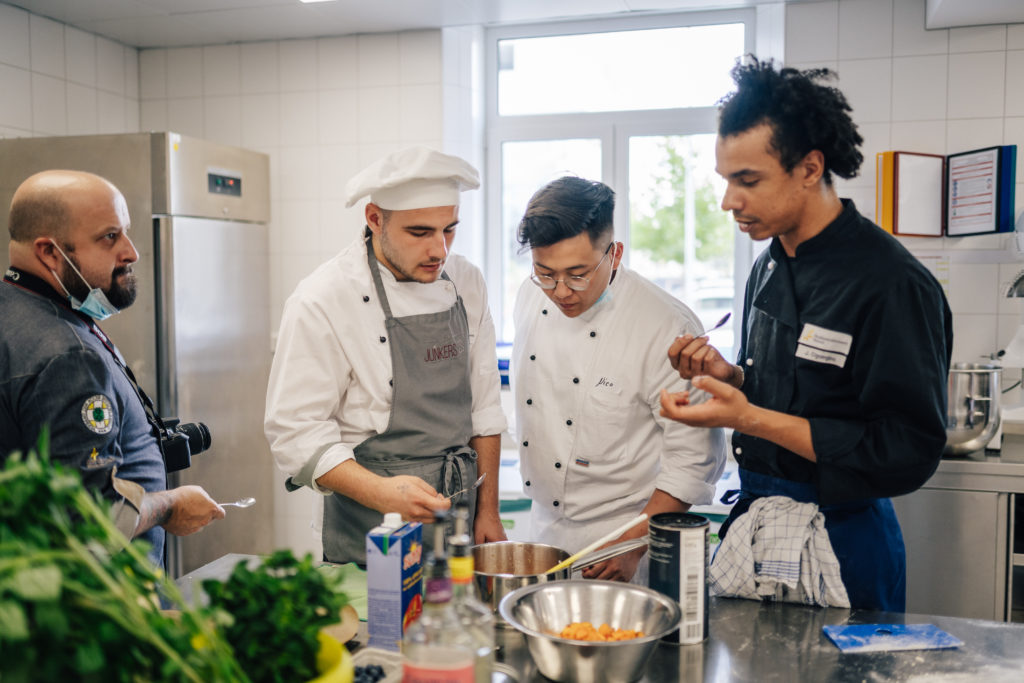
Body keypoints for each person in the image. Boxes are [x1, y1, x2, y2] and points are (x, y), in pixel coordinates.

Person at [660, 59, 953, 611]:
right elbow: (800, 386)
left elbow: (907, 450)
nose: (729, 202)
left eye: (748, 181)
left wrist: (744, 417)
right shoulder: (768, 265)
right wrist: (732, 379)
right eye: (726, 180)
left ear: (810, 167)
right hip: (759, 525)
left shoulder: (890, 282)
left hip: (845, 540)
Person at [265, 146, 508, 564]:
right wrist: (381, 493)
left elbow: (484, 405)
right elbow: (295, 430)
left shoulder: (466, 281)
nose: (440, 251)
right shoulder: (323, 299)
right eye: (420, 232)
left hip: (460, 523)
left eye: (449, 229)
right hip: (370, 530)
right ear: (375, 219)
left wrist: (489, 510)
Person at [0, 170, 225, 567]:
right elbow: (89, 521)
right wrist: (171, 505)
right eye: (109, 237)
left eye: (126, 231)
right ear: (50, 253)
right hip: (94, 610)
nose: (131, 251)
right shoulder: (66, 356)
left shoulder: (18, 309)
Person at [512, 176, 726, 583]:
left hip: (632, 542)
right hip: (545, 535)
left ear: (615, 253)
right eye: (545, 272)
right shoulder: (529, 298)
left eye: (578, 274)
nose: (561, 292)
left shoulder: (665, 325)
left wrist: (632, 544)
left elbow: (693, 461)